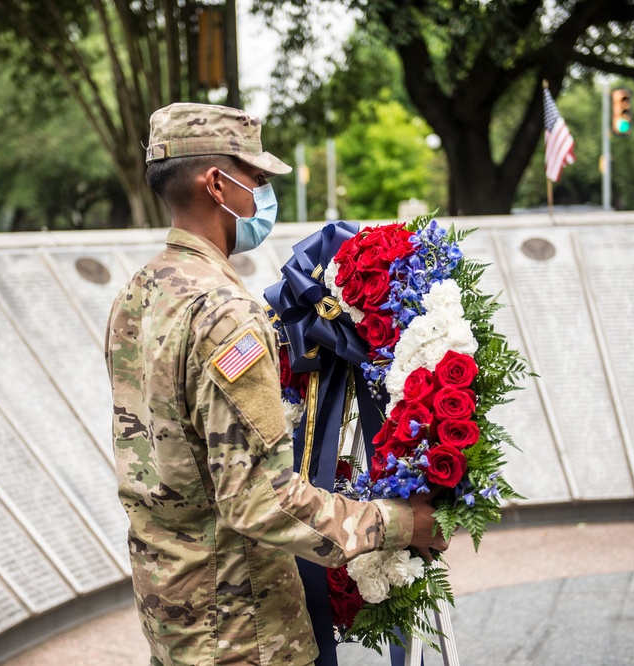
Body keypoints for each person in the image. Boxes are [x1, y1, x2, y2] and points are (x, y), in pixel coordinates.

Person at [105, 102, 449, 666]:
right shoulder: (224, 314)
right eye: (258, 178)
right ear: (217, 184)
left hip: (172, 617)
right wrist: (401, 522)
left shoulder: (138, 295)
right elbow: (260, 501)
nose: (263, 194)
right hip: (241, 634)